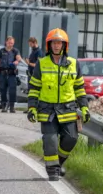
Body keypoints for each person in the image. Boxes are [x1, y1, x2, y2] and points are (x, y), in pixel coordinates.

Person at [27, 28, 90, 181]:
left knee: (71, 139)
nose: (56, 46)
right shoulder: (41, 64)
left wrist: (84, 107)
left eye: (59, 43)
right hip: (47, 109)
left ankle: (58, 162)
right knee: (51, 139)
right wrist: (32, 108)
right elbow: (34, 88)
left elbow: (79, 89)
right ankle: (53, 170)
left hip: (68, 109)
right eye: (54, 43)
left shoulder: (74, 64)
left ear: (64, 45)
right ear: (49, 45)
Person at [0, 36, 22, 113]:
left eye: (12, 43)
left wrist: (17, 61)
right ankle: (3, 106)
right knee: (2, 89)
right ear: (6, 42)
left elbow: (19, 58)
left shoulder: (15, 51)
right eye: (9, 43)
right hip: (2, 73)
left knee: (12, 90)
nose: (10, 44)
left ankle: (12, 107)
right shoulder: (1, 51)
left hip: (11, 73)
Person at [23, 37, 43, 114]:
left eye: (31, 44)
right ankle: (30, 107)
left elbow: (37, 65)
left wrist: (28, 63)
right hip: (30, 74)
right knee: (30, 92)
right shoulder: (33, 51)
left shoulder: (39, 52)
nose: (30, 45)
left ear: (34, 42)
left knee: (34, 92)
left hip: (35, 75)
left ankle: (35, 108)